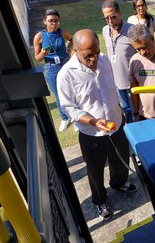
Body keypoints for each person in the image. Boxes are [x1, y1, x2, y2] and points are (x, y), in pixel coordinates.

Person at [56, 29, 137, 221]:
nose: (93, 59)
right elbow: (69, 108)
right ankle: (100, 200)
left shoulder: (105, 60)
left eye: (96, 53)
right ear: (75, 50)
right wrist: (93, 121)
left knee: (120, 158)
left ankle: (119, 182)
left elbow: (112, 88)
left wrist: (118, 111)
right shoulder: (66, 75)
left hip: (116, 124)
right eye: (87, 55)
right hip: (91, 134)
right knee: (95, 169)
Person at [33, 8, 73, 132]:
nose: (54, 24)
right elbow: (37, 58)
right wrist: (43, 53)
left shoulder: (62, 32)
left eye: (56, 21)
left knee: (72, 91)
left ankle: (76, 118)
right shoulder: (39, 36)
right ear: (44, 21)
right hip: (51, 68)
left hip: (65, 65)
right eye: (51, 21)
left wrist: (68, 50)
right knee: (58, 95)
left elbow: (71, 40)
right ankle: (65, 118)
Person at [102, 0, 136, 123]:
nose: (110, 21)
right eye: (106, 18)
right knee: (125, 109)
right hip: (116, 81)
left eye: (113, 17)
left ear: (119, 13)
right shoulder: (105, 30)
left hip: (132, 81)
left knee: (136, 110)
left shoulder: (132, 30)